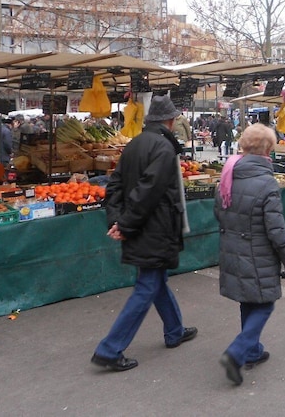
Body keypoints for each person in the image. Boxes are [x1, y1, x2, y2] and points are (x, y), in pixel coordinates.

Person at [91, 95, 197, 372]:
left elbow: (115, 187)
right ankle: (110, 349)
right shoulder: (163, 148)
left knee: (155, 279)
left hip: (141, 226)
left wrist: (116, 220)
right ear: (170, 121)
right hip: (155, 228)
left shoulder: (134, 145)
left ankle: (175, 330)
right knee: (148, 285)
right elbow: (147, 193)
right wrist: (124, 224)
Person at [214, 123, 285, 386]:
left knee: (247, 301)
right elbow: (276, 229)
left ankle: (251, 350)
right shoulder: (266, 184)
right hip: (256, 252)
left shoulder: (227, 175)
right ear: (269, 150)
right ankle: (237, 352)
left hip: (232, 249)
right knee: (264, 303)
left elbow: (219, 213)